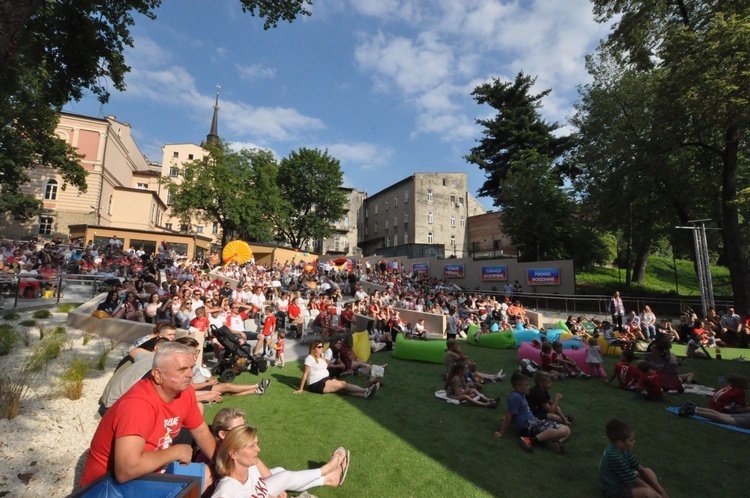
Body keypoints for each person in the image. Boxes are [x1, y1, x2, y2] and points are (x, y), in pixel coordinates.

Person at [81, 342, 216, 491]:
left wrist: (221, 464)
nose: (190, 374)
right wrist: (176, 452)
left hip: (152, 472)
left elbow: (201, 432)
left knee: (217, 473)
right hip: (110, 487)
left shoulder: (185, 392)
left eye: (191, 367)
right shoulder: (138, 405)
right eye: (182, 369)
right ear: (157, 374)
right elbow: (126, 471)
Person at [211, 425, 348, 497]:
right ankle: (326, 471)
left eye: (257, 443)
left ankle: (328, 478)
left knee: (281, 472)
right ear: (234, 454)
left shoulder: (249, 467)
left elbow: (260, 493)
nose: (258, 449)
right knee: (285, 476)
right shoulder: (227, 490)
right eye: (252, 446)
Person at [495, 372, 570, 453]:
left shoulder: (520, 395)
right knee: (564, 430)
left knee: (567, 430)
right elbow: (509, 415)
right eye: (526, 385)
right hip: (529, 425)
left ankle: (548, 441)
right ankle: (531, 441)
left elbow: (515, 413)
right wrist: (501, 432)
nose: (528, 387)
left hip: (533, 422)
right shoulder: (515, 397)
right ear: (518, 387)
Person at [599, 418, 669, 497]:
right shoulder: (614, 456)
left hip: (623, 481)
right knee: (648, 493)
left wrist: (660, 490)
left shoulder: (622, 450)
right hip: (614, 490)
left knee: (648, 471)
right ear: (620, 443)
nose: (634, 442)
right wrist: (657, 494)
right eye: (631, 440)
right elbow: (635, 481)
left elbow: (640, 469)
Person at [294, 341, 377, 399]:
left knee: (342, 387)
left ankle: (364, 395)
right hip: (316, 383)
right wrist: (301, 388)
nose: (321, 348)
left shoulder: (322, 355)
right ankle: (366, 389)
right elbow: (305, 374)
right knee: (342, 385)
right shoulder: (309, 358)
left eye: (322, 346)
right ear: (313, 348)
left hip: (325, 378)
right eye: (319, 347)